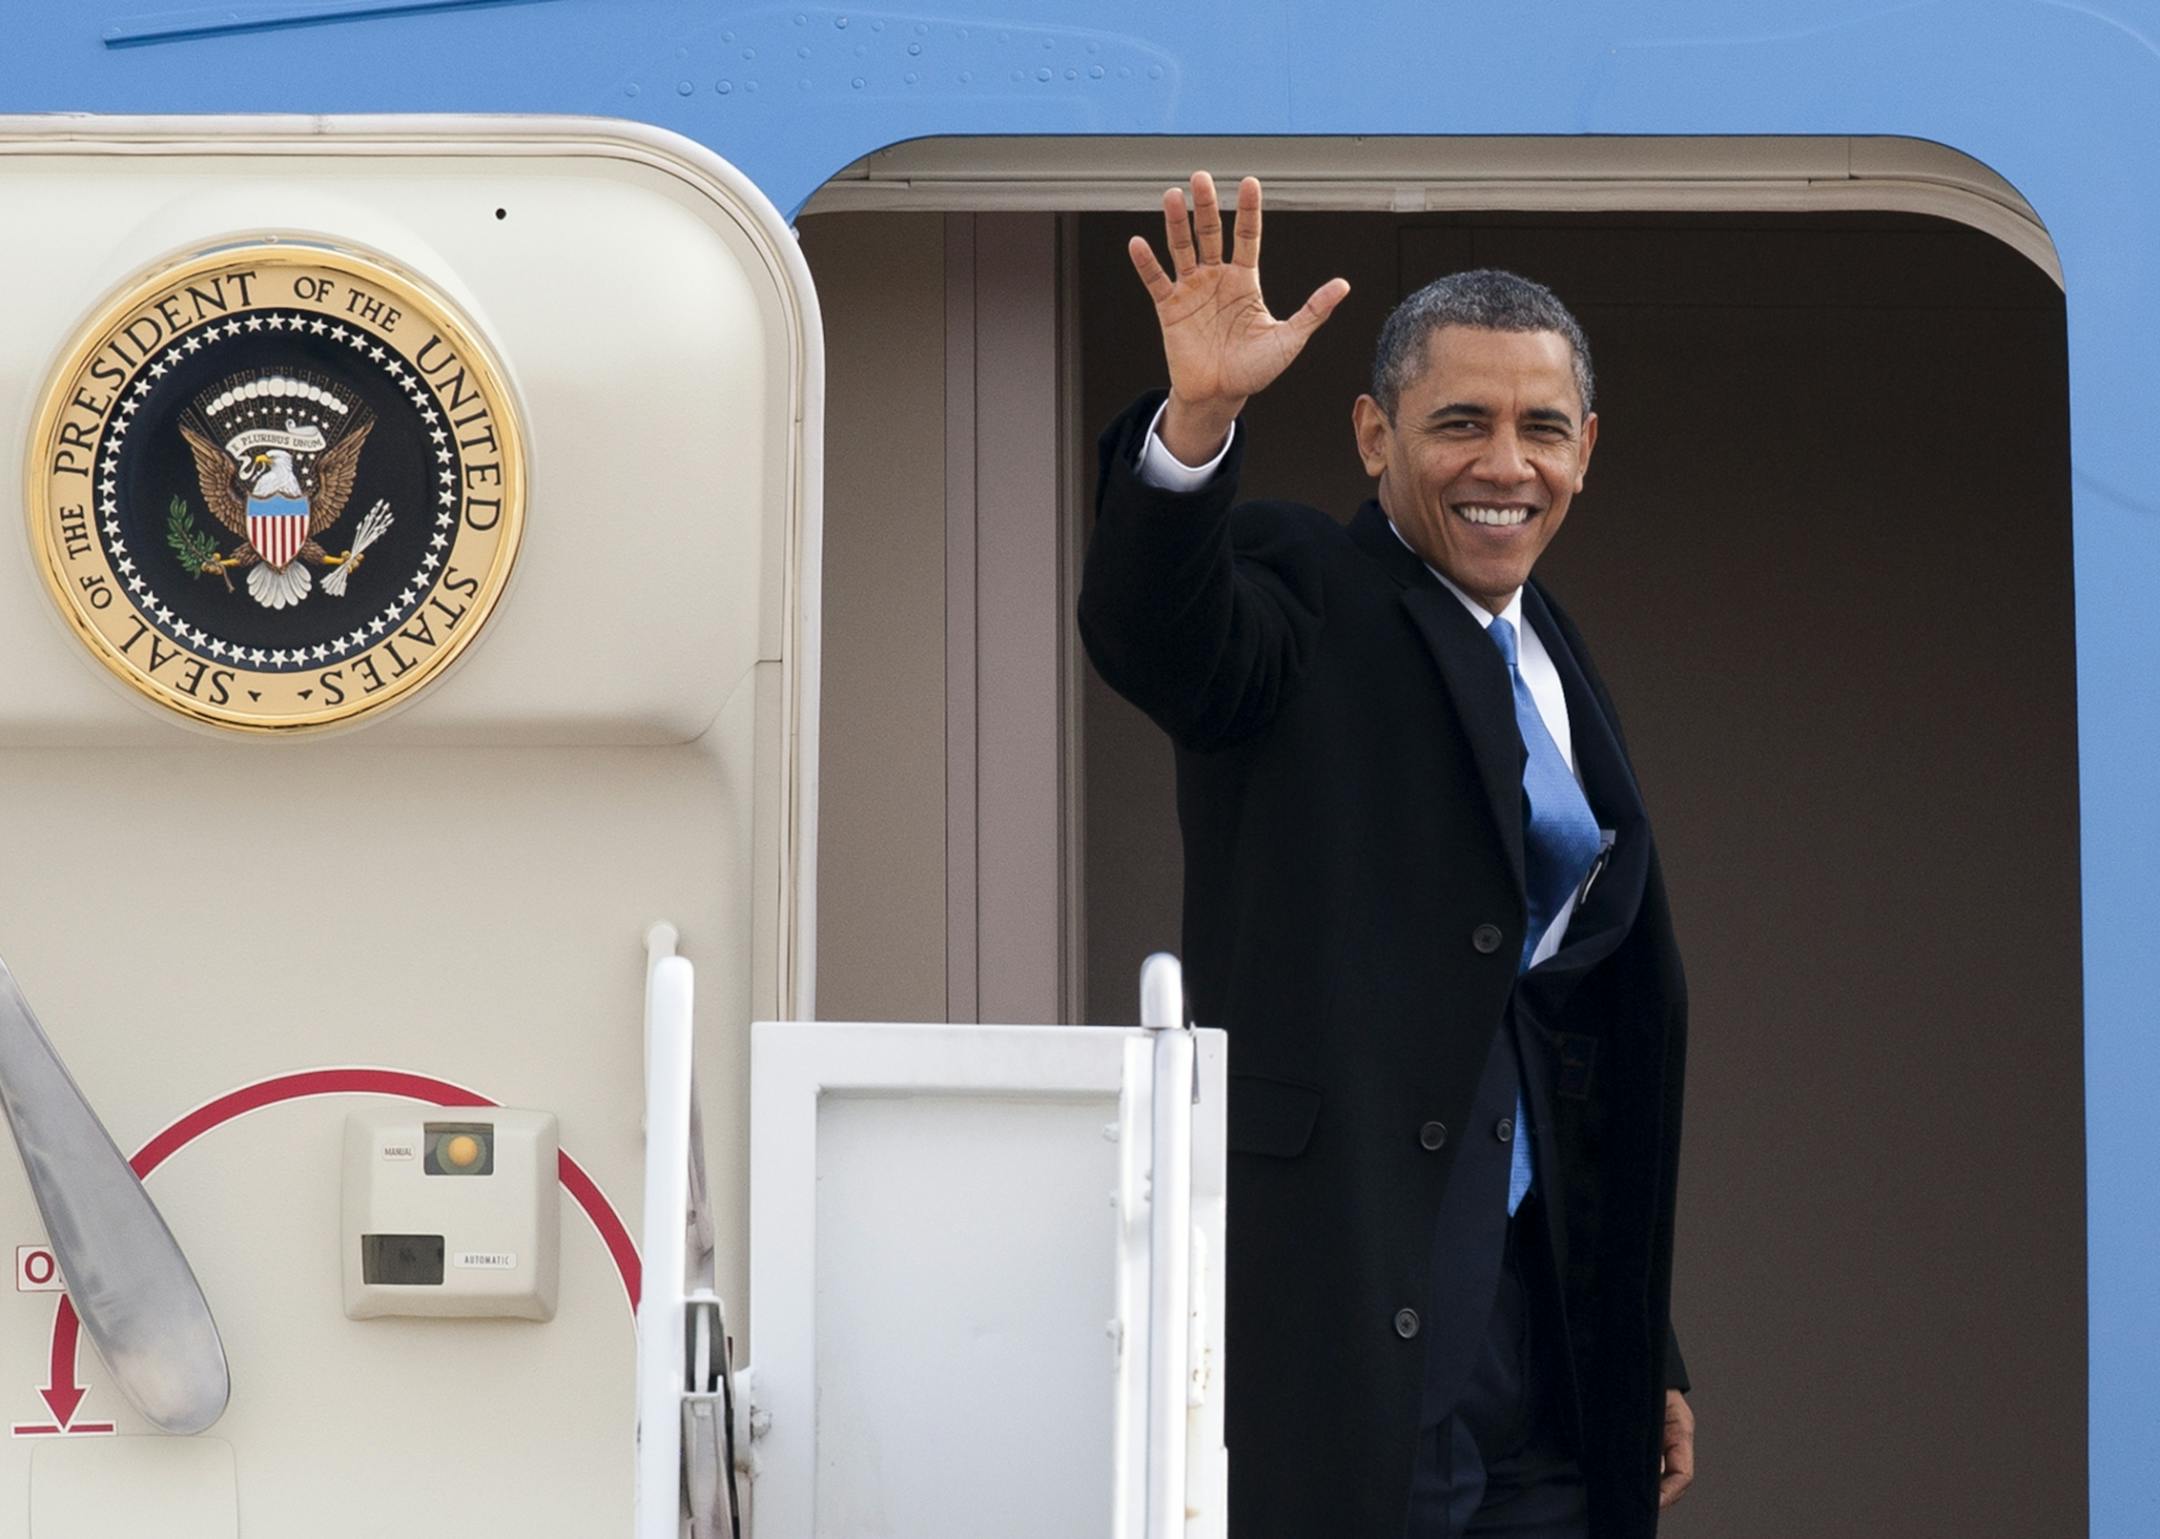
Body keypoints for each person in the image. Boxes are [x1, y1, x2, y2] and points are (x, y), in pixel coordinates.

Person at [1078, 172, 1696, 1539]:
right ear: (1373, 435)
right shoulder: (1304, 590)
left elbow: (1556, 1015)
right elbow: (1157, 634)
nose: (1503, 465)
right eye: (1458, 424)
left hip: (1541, 1327)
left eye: (1541, 428)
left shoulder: (1554, 657)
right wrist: (1199, 420)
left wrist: (1635, 1336)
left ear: (1586, 448)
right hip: (1356, 1301)